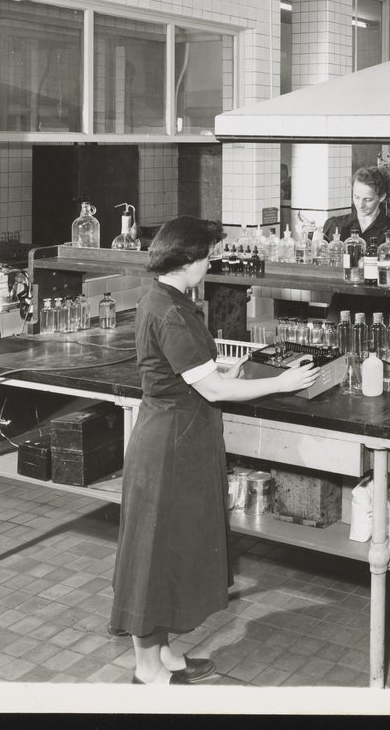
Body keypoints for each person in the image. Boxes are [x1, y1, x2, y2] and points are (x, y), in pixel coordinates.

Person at [110, 216, 320, 685]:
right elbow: (213, 391)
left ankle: (163, 654)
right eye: (206, 257)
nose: (209, 264)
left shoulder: (165, 299)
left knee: (171, 548)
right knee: (154, 555)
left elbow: (191, 372)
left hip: (179, 437)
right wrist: (282, 382)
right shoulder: (170, 311)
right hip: (170, 446)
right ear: (187, 260)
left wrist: (230, 367)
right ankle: (146, 669)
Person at [322, 166, 390, 248]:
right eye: (356, 197)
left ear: (382, 197)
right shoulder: (335, 225)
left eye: (367, 200)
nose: (360, 205)